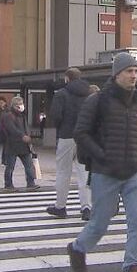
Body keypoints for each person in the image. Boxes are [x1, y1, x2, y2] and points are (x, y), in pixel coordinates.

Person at [68, 53, 137, 272]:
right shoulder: (98, 100)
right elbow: (81, 133)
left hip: (133, 172)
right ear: (117, 73)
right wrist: (101, 155)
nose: (134, 76)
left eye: (136, 71)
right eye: (129, 71)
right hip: (105, 172)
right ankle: (78, 248)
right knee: (99, 223)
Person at [46, 67, 92, 220]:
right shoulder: (89, 94)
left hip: (66, 136)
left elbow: (55, 116)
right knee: (84, 173)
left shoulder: (61, 94)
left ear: (67, 78)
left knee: (63, 172)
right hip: (84, 138)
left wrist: (62, 127)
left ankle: (60, 206)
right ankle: (86, 207)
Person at [0, 96, 40, 192]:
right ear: (14, 106)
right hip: (12, 144)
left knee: (29, 165)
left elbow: (25, 127)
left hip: (24, 145)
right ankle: (8, 184)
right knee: (10, 166)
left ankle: (31, 183)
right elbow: (11, 128)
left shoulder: (22, 115)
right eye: (19, 104)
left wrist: (28, 136)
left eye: (22, 104)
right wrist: (22, 136)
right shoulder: (8, 115)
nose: (21, 106)